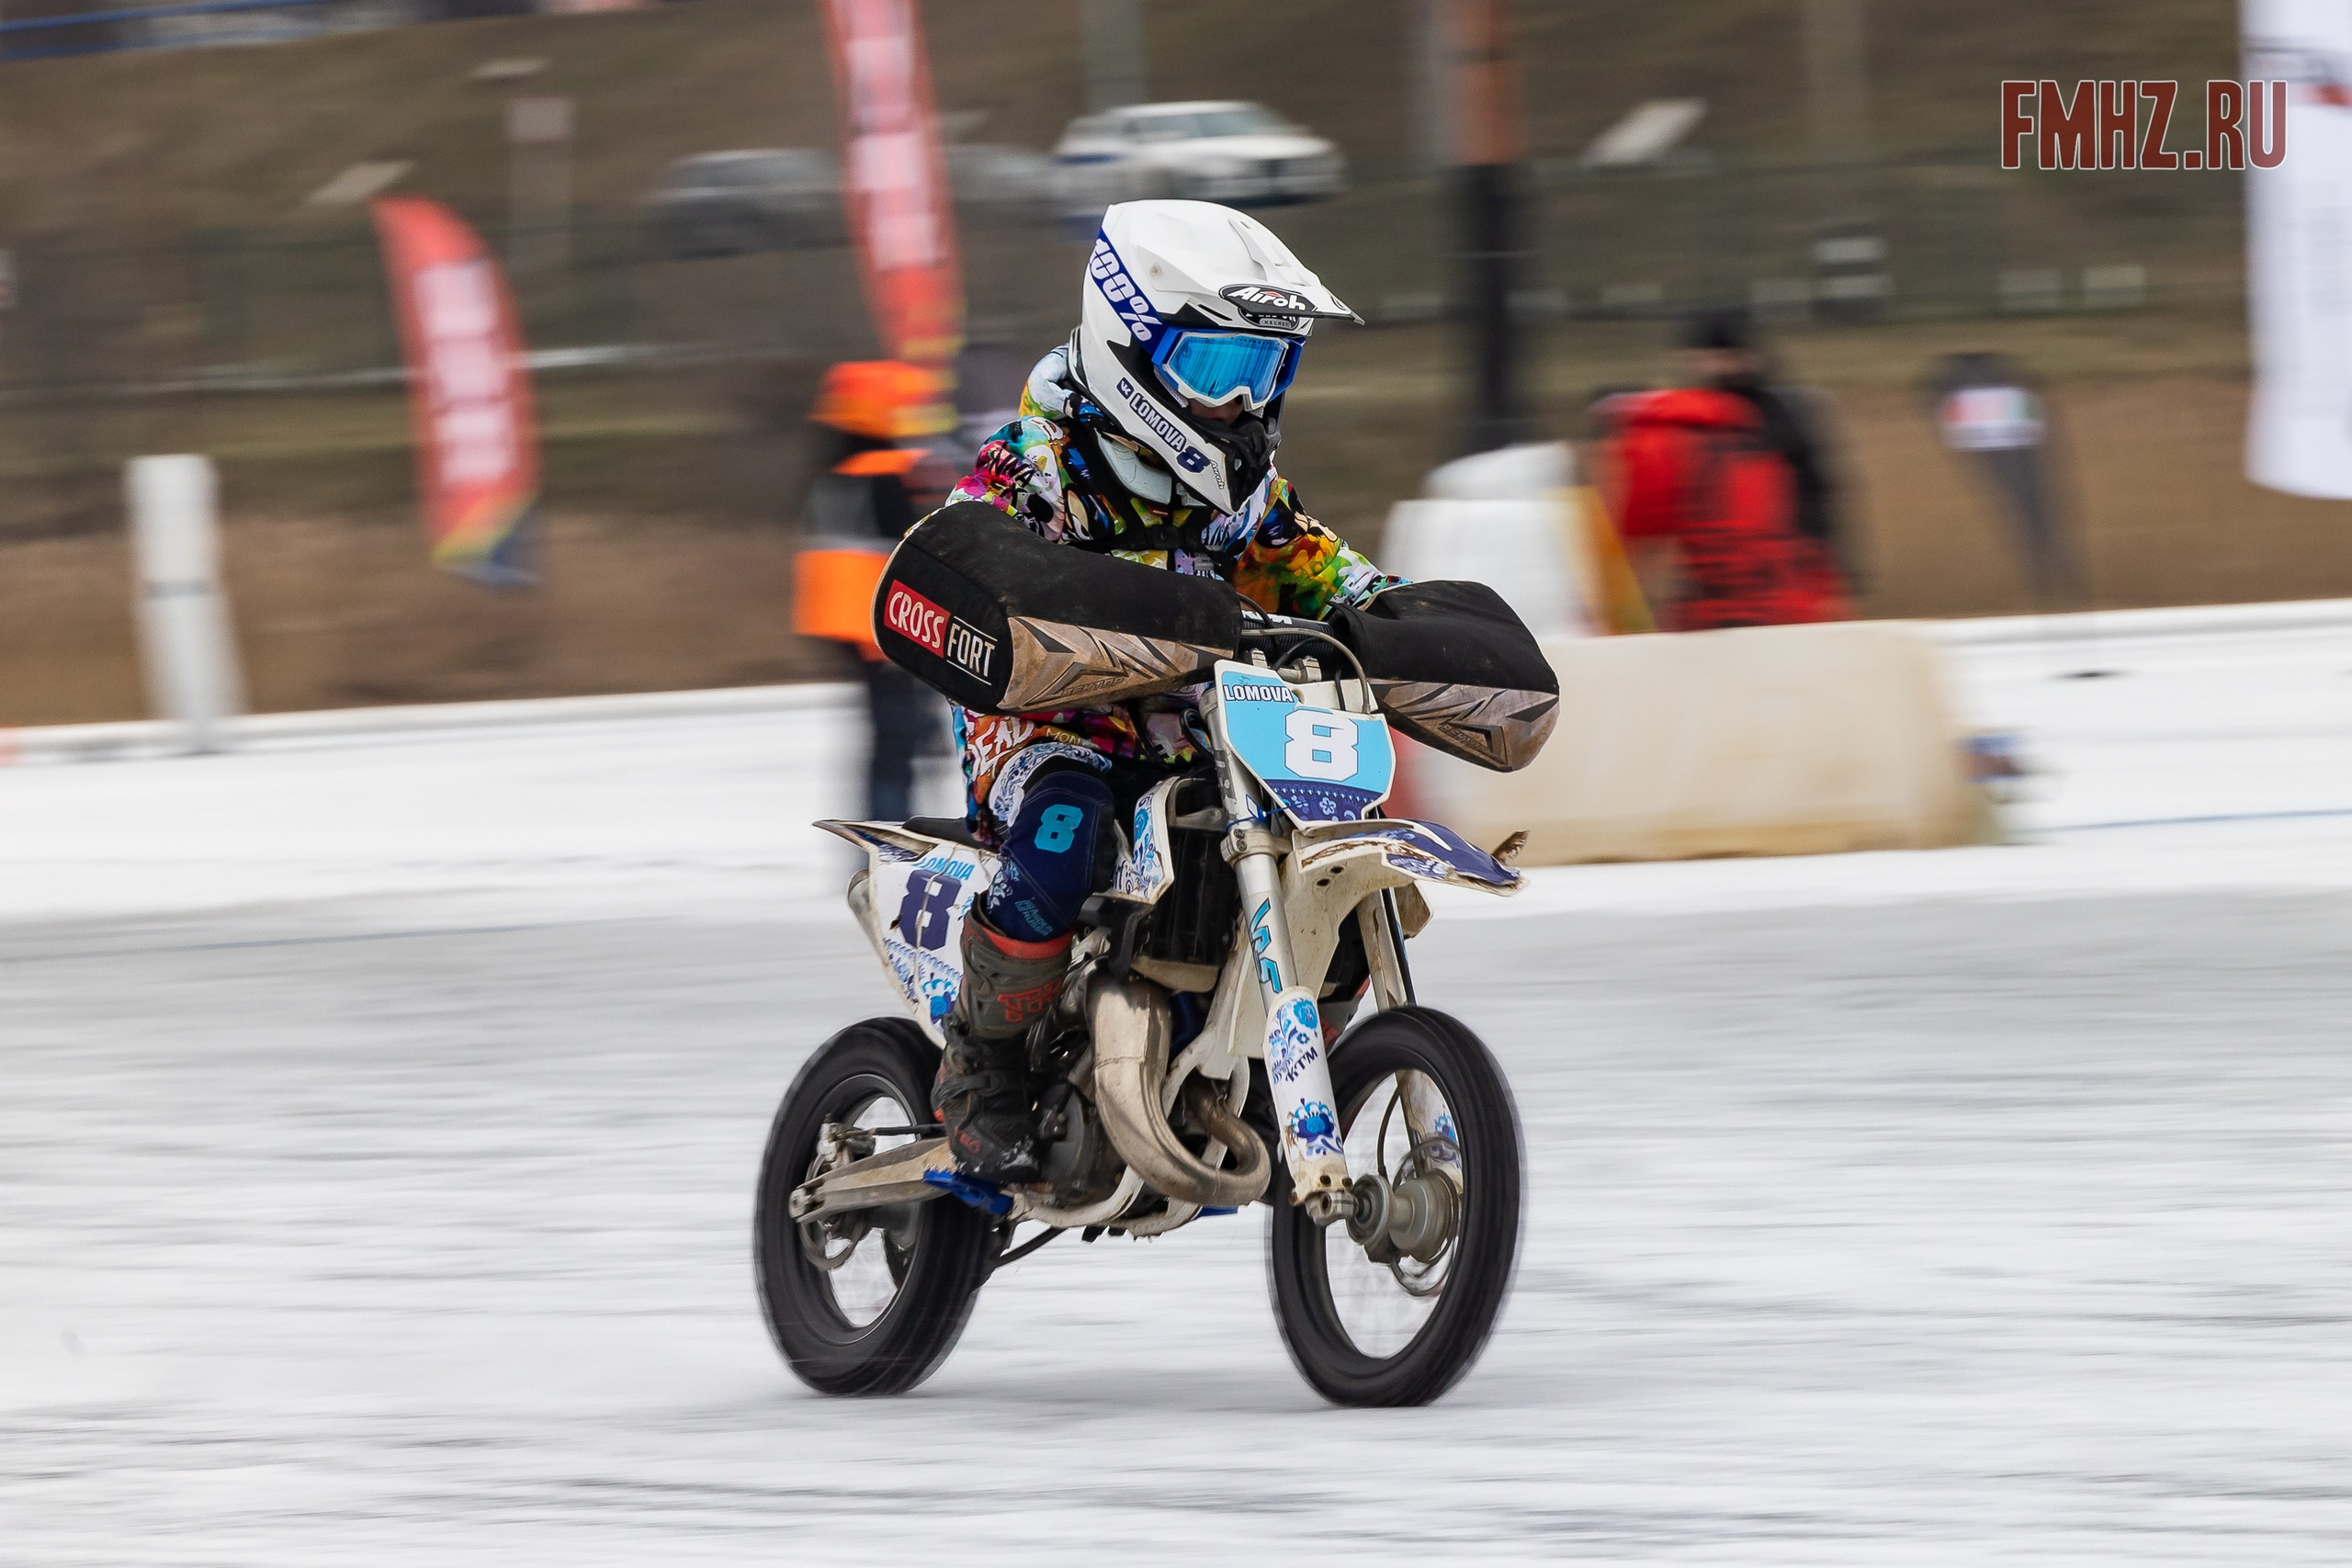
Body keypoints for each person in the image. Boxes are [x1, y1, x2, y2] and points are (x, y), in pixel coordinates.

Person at [922, 199, 1401, 1181]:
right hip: (1050, 729)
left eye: (1262, 373)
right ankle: (984, 1066)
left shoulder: (1240, 492)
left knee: (1336, 842)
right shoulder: (1038, 465)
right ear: (1127, 344)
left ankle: (1282, 1064)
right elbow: (966, 555)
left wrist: (1397, 611)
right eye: (1216, 370)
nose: (1238, 404)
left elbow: (1312, 567)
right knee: (1065, 824)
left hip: (1211, 733)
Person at [1598, 310, 1855, 630]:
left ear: (1750, 358)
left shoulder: (1782, 417)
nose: (1718, 368)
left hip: (1782, 579)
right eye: (1707, 358)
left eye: (1726, 357)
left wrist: (1833, 573)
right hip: (1734, 590)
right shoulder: (1683, 425)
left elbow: (1818, 493)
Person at [792, 360, 956, 820]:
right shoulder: (890, 471)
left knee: (890, 738)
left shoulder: (836, 471)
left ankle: (880, 832)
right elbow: (921, 552)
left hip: (846, 623)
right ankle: (888, 837)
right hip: (886, 627)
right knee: (896, 741)